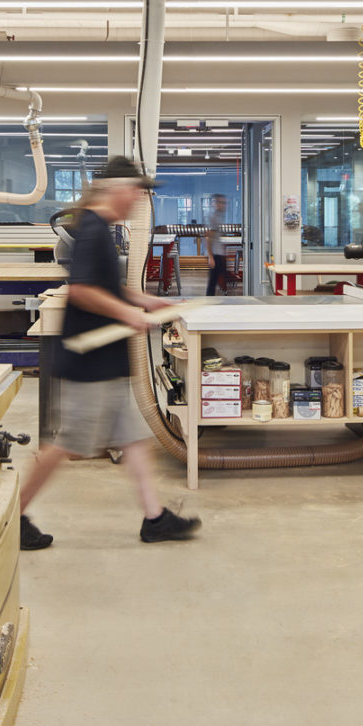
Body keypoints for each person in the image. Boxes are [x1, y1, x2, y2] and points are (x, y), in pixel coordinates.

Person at [18, 156, 201, 550]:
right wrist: (127, 314)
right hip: (89, 361)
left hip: (107, 358)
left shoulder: (103, 229)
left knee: (133, 438)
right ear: (116, 190)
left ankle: (155, 519)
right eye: (136, 191)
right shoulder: (92, 229)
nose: (138, 200)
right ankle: (13, 515)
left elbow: (108, 287)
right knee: (65, 444)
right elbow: (83, 290)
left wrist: (146, 301)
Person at [204, 193, 230, 296]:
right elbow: (208, 237)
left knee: (221, 279)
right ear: (215, 203)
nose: (224, 205)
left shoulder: (218, 216)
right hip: (215, 254)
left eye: (225, 203)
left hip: (219, 253)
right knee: (213, 282)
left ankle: (218, 299)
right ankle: (209, 302)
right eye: (222, 203)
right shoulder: (213, 217)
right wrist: (210, 257)